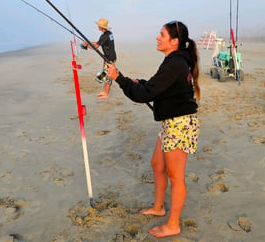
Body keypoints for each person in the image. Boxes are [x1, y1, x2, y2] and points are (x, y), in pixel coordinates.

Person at [107, 20, 200, 238]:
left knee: (176, 177)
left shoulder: (175, 63)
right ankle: (159, 208)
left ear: (174, 41)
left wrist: (119, 79)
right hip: (171, 121)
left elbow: (144, 95)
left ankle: (173, 224)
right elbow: (158, 86)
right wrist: (139, 81)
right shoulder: (173, 61)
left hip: (179, 124)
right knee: (157, 164)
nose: (157, 38)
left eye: (162, 35)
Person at [81, 17, 117, 99]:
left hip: (109, 59)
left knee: (108, 76)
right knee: (105, 75)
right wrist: (88, 42)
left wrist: (86, 45)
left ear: (101, 27)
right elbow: (99, 43)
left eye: (99, 25)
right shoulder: (109, 33)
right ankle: (104, 91)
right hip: (111, 57)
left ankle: (106, 93)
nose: (98, 26)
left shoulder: (104, 36)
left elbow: (96, 46)